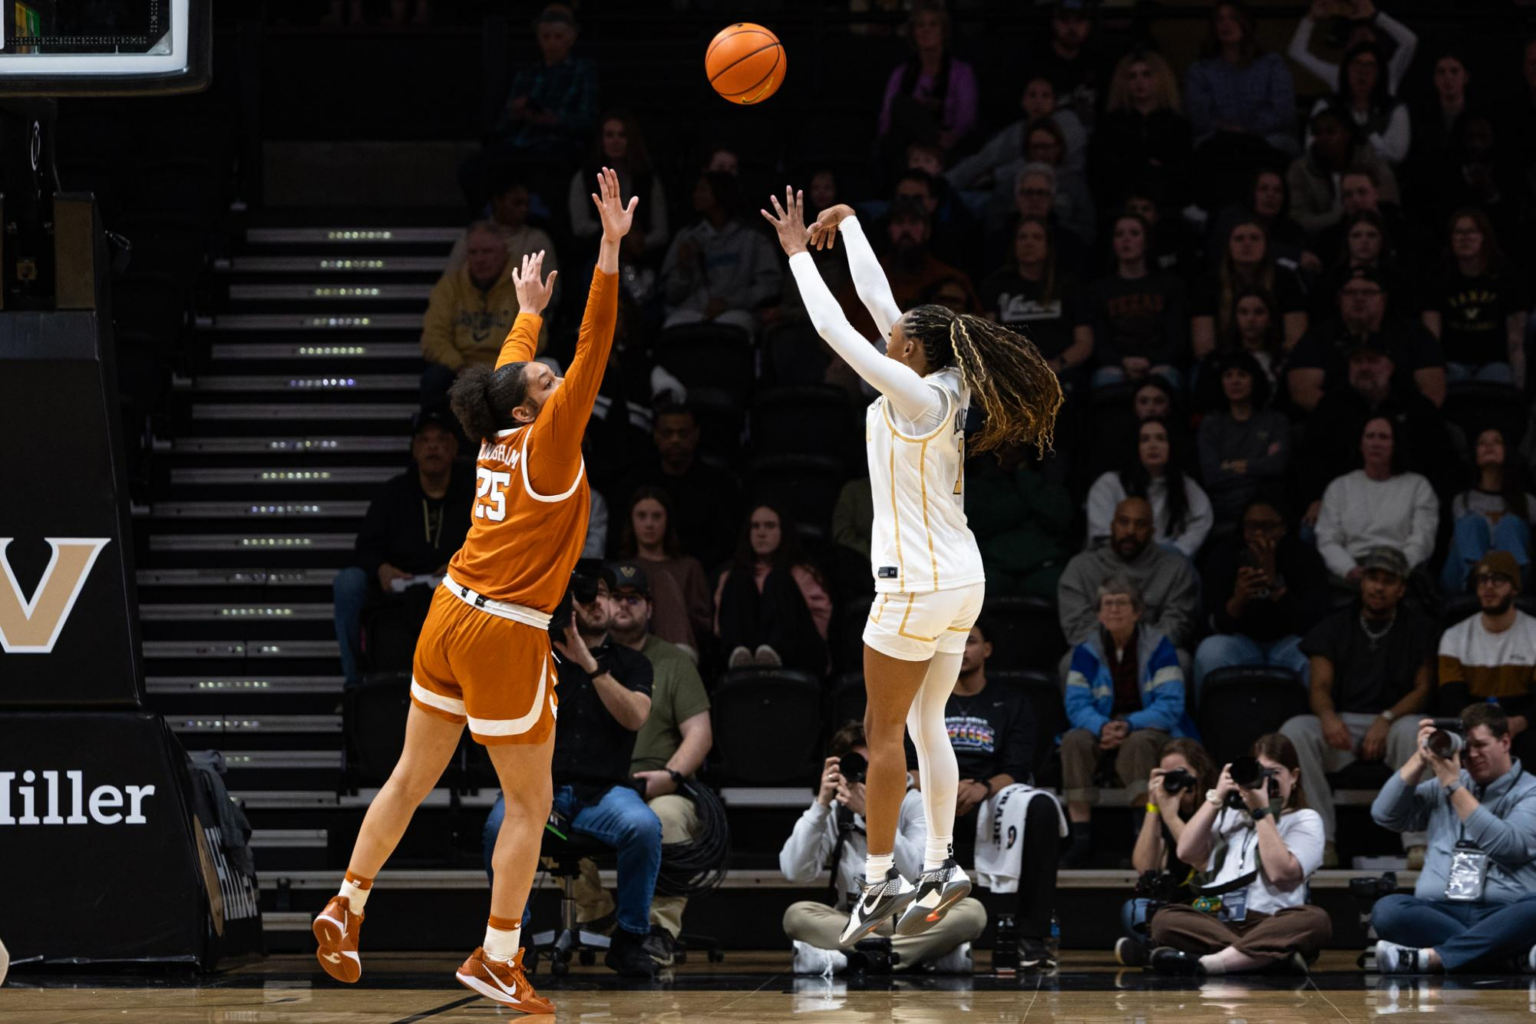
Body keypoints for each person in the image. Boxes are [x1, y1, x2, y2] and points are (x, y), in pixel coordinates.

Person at [311, 171, 635, 1013]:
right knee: (528, 804)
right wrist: (608, 249)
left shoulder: (496, 431)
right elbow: (596, 342)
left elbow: (505, 370)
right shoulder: (553, 444)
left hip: (447, 611)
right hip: (503, 631)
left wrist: (527, 310)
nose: (556, 378)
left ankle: (348, 902)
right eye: (546, 380)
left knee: (409, 778)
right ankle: (496, 954)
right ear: (535, 409)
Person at [762, 189, 1063, 945]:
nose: (888, 332)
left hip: (916, 585)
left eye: (897, 335)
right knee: (929, 720)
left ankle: (876, 886)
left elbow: (838, 327)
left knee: (882, 730)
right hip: (964, 580)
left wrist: (799, 253)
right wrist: (851, 221)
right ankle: (939, 866)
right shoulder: (949, 379)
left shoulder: (914, 393)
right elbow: (874, 298)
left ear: (912, 351)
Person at [480, 567, 659, 978]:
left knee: (644, 827)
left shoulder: (632, 663)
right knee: (495, 827)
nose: (599, 602)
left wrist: (590, 664)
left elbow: (635, 717)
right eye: (587, 594)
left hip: (604, 793)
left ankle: (629, 939)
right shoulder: (537, 655)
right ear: (570, 601)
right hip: (537, 790)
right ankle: (513, 939)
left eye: (605, 595)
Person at [579, 561, 714, 967]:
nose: (623, 605)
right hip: (596, 785)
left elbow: (700, 733)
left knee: (667, 818)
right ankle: (599, 918)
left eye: (633, 598)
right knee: (548, 810)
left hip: (659, 785)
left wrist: (670, 776)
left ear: (649, 608)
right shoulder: (580, 657)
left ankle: (658, 931)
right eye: (614, 596)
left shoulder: (672, 661)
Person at [914, 620, 1066, 970]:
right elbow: (908, 766)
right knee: (896, 800)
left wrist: (982, 788)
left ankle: (1032, 938)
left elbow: (1018, 768)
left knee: (1042, 806)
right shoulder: (922, 698)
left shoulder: (1012, 702)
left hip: (990, 796)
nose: (960, 650)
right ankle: (904, 929)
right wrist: (947, 789)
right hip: (934, 796)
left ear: (987, 650)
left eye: (969, 642)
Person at [780, 722, 986, 975]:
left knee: (972, 912)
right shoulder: (836, 810)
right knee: (797, 915)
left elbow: (918, 876)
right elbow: (795, 871)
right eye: (856, 767)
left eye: (871, 766)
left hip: (911, 919)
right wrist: (821, 805)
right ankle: (912, 955)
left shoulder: (914, 803)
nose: (865, 776)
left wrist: (871, 817)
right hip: (855, 920)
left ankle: (857, 957)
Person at [1281, 545, 1435, 865]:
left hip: (1394, 722)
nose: (1379, 587)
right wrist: (1326, 717)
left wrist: (1387, 718)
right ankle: (1319, 841)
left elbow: (1423, 689)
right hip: (1343, 724)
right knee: (1295, 731)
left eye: (1388, 580)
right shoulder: (1335, 624)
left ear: (1401, 588)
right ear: (1361, 582)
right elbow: (1319, 686)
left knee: (1420, 732)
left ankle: (1418, 843)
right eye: (1373, 578)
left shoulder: (1417, 627)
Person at [1147, 734, 1332, 976]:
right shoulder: (1229, 816)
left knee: (1315, 920)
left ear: (1294, 776)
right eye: (1259, 773)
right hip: (1220, 921)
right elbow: (1186, 851)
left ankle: (1209, 963)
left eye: (1274, 773)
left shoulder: (1304, 819)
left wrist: (1261, 812)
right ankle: (1269, 957)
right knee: (1164, 919)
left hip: (1271, 921)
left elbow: (1280, 873)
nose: (1265, 781)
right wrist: (1217, 795)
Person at [1372, 704, 1536, 974]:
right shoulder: (1443, 785)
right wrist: (1420, 757)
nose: (1472, 755)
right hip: (1441, 911)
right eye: (1466, 746)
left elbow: (1508, 845)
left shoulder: (1530, 791)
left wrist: (1453, 786)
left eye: (1481, 745)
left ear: (1505, 742)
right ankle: (1501, 954)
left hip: (1503, 913)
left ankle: (1434, 958)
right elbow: (1385, 815)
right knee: (1388, 909)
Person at [1062, 577, 1197, 868]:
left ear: (1137, 611)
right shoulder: (1086, 651)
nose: (1114, 610)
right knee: (1074, 740)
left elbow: (1171, 705)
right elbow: (1075, 703)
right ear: (1098, 614)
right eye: (1107, 604)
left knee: (1139, 743)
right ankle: (1081, 838)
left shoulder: (1159, 647)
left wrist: (1129, 724)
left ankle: (1142, 837)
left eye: (1121, 603)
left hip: (1148, 729)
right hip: (1102, 728)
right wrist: (1101, 726)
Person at [333, 411, 474, 687]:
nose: (432, 446)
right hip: (400, 584)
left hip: (458, 585)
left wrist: (462, 566)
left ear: (455, 448)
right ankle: (355, 684)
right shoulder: (392, 494)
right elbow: (364, 548)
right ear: (413, 450)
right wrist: (382, 569)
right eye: (424, 440)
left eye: (441, 439)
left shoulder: (475, 492)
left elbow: (496, 542)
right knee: (348, 582)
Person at [1295, 339, 1459, 523]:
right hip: (1343, 503)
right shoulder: (1330, 407)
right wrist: (1316, 498)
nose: (1364, 368)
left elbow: (1442, 463)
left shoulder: (1416, 406)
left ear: (1390, 366)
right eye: (1357, 361)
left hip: (1406, 502)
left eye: (1373, 360)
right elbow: (1310, 459)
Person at [464, 4, 598, 212]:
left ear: (571, 39)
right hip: (520, 142)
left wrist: (554, 119)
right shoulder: (527, 74)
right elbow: (502, 123)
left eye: (558, 37)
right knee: (473, 167)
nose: (551, 43)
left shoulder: (582, 72)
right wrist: (515, 113)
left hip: (558, 144)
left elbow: (587, 117)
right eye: (546, 37)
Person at [1193, 501, 1329, 700]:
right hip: (1240, 642)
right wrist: (1238, 600)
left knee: (1313, 658)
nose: (1259, 534)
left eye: (1267, 526)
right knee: (1210, 652)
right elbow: (1209, 625)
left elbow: (1316, 624)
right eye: (1252, 526)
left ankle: (1315, 725)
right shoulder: (1223, 555)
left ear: (1283, 527)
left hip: (1288, 643)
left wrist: (1275, 587)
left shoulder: (1303, 556)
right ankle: (1209, 725)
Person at [1184, 1, 1297, 207]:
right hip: (1218, 141)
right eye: (1220, 19)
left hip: (1265, 138)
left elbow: (1283, 110)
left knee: (1258, 150)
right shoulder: (1201, 68)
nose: (1225, 24)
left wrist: (1249, 129)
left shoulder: (1271, 64)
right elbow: (1198, 114)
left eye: (1233, 18)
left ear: (1246, 23)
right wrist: (1226, 129)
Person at [1118, 738, 1220, 966]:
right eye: (1166, 775)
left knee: (1209, 916)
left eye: (1181, 773)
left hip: (1214, 904)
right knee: (1133, 911)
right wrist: (1154, 807)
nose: (1175, 781)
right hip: (1180, 907)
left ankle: (1156, 952)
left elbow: (1202, 860)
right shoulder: (1166, 808)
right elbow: (1145, 866)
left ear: (1200, 773)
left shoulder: (1216, 807)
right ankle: (1174, 952)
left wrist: (1172, 817)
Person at [1288, 268, 1446, 412]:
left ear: (1383, 298)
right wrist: (1348, 416)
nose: (1359, 298)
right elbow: (1303, 391)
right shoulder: (1318, 336)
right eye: (1350, 293)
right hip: (1337, 420)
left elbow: (1433, 391)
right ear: (1339, 298)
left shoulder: (1414, 334)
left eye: (1368, 292)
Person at [1059, 496, 1201, 651]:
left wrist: (1136, 651)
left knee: (1179, 661)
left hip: (1153, 653)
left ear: (1152, 531)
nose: (1130, 531)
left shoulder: (1176, 569)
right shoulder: (1081, 567)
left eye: (1140, 524)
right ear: (1112, 526)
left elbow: (1177, 626)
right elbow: (1077, 628)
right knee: (1072, 662)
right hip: (1098, 652)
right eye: (1123, 522)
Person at [1437, 552, 1536, 768]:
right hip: (1472, 723)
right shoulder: (1455, 635)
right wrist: (1479, 728)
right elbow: (1450, 696)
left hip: (1523, 724)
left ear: (1515, 588)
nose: (1488, 587)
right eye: (1483, 580)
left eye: (1498, 580)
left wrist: (1519, 722)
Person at [619, 403, 743, 569]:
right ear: (655, 435)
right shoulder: (635, 481)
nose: (675, 440)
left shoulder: (720, 484)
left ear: (696, 434)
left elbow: (727, 544)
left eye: (682, 433)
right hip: (641, 573)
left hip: (703, 573)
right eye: (667, 433)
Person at [1315, 417, 1438, 583]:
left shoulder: (1418, 485)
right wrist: (1349, 569)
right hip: (1351, 570)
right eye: (1370, 436)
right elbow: (1327, 539)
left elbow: (1423, 538)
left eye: (1383, 437)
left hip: (1399, 570)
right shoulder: (1339, 486)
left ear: (1396, 444)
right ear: (1361, 444)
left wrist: (1395, 568)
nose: (1375, 443)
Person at [713, 503, 831, 673]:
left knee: (778, 578)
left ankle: (772, 650)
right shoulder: (730, 576)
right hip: (746, 652)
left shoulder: (803, 573)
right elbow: (721, 626)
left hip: (798, 653)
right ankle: (741, 657)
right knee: (739, 578)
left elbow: (819, 627)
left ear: (783, 531)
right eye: (755, 526)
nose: (761, 533)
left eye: (770, 526)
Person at [660, 171, 781, 333]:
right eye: (696, 190)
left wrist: (729, 302)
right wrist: (682, 267)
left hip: (738, 311)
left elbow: (769, 285)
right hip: (692, 310)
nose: (696, 195)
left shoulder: (753, 237)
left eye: (703, 190)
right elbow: (671, 294)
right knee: (674, 330)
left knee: (729, 330)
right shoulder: (686, 236)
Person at [420, 221, 522, 409]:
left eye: (487, 252)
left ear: (504, 253)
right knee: (435, 378)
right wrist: (460, 367)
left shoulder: (522, 284)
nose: (480, 259)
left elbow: (537, 336)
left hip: (507, 368)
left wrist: (501, 369)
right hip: (460, 367)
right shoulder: (449, 286)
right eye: (473, 252)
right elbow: (433, 338)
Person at [1421, 208, 1529, 386]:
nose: (1465, 238)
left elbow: (1515, 340)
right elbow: (1432, 338)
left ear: (1484, 237)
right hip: (1453, 362)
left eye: (1472, 231)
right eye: (1459, 232)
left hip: (1494, 361)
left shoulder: (1507, 277)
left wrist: (1519, 388)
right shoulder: (1437, 277)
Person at [978, 217, 1092, 378]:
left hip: (1059, 370)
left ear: (1049, 245)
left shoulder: (1068, 285)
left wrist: (1058, 364)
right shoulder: (996, 284)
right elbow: (987, 337)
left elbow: (1084, 341)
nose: (1028, 243)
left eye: (1037, 237)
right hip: (1011, 370)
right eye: (1022, 237)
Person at [1086, 214, 1188, 390]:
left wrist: (1151, 362)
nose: (1126, 239)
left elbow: (1177, 337)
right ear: (1113, 243)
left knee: (1167, 378)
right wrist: (1121, 362)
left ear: (1147, 241)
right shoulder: (1098, 290)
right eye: (1119, 234)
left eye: (1134, 233)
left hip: (1160, 364)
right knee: (1103, 379)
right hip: (1115, 365)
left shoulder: (1171, 285)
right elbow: (1099, 340)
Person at [876, 1, 979, 173]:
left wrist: (950, 137)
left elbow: (967, 116)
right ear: (913, 32)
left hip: (946, 144)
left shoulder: (961, 72)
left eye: (933, 24)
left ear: (943, 31)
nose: (926, 30)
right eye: (920, 25)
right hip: (907, 146)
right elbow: (888, 114)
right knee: (901, 106)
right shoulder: (900, 74)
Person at [1087, 418, 1212, 558]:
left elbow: (1201, 520)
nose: (1153, 445)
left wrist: (1178, 550)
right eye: (1145, 439)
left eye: (1160, 438)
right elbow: (1102, 535)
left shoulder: (1185, 485)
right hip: (1117, 560)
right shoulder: (1109, 484)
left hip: (1164, 563)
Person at [1090, 50, 1193, 216]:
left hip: (1166, 207)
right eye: (1132, 76)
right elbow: (1102, 172)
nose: (1139, 82)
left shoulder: (1177, 125)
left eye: (1146, 74)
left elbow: (1183, 173)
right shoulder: (1110, 125)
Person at [948, 75, 1087, 195]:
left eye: (1045, 95)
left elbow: (1042, 163)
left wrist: (995, 176)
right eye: (1032, 95)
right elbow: (982, 159)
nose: (1038, 101)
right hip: (1017, 191)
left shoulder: (1068, 122)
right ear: (1023, 102)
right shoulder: (1015, 131)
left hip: (1063, 190)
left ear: (1054, 102)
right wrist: (944, 182)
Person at [1190, 219, 1307, 363]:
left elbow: (1296, 340)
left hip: (1276, 359)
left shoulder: (1285, 279)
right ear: (1228, 246)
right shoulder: (1208, 283)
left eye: (1254, 238)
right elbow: (1203, 347)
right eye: (1239, 239)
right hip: (1223, 363)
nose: (1247, 244)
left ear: (1266, 245)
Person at [567, 111, 670, 273]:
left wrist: (636, 244)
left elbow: (661, 232)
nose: (615, 141)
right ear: (601, 140)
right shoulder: (584, 177)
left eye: (622, 135)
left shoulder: (648, 179)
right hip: (597, 258)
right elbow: (580, 226)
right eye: (609, 135)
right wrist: (619, 237)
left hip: (641, 261)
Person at [618, 487, 711, 661]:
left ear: (668, 521)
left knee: (663, 580)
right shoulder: (621, 569)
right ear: (631, 521)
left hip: (682, 648)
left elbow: (703, 623)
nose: (649, 524)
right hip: (631, 646)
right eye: (642, 516)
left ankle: (676, 662)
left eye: (657, 516)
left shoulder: (688, 566)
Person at [1197, 350, 1290, 523]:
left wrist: (1230, 465)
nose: (1235, 381)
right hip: (1225, 510)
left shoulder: (1276, 421)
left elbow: (1277, 465)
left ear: (1254, 379)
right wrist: (1257, 468)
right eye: (1228, 375)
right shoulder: (1210, 424)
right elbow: (1212, 475)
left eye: (1242, 374)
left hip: (1268, 506)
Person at [1442, 430, 1535, 593]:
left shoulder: (1527, 501)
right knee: (1471, 522)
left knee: (1511, 523)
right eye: (1482, 443)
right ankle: (1479, 582)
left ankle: (1506, 582)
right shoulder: (1462, 500)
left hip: (1514, 577)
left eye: (1496, 442)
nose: (1489, 446)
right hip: (1466, 578)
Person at [1287, 107, 1400, 239]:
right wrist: (1339, 218)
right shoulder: (1299, 170)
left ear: (1346, 134)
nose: (1323, 138)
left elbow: (1390, 204)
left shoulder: (1371, 161)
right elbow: (1297, 219)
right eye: (1317, 133)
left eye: (1330, 132)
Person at [1305, 44, 1412, 165]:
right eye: (1357, 64)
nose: (1363, 71)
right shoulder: (1327, 104)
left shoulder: (1394, 108)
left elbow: (1397, 156)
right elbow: (1310, 146)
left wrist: (1369, 133)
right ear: (1346, 70)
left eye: (1370, 65)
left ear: (1380, 73)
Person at [1287, 0, 1419, 97]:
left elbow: (1410, 42)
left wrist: (1376, 16)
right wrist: (1311, 17)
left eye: (1365, 39)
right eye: (1355, 40)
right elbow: (1297, 52)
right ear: (1347, 48)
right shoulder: (1339, 75)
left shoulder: (1388, 73)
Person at [445, 175, 560, 286]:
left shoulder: (537, 240)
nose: (524, 209)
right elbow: (449, 281)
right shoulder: (473, 236)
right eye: (517, 203)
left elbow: (549, 290)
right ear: (497, 202)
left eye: (527, 204)